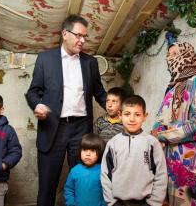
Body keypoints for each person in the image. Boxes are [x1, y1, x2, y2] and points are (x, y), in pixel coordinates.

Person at [25, 14, 107, 206]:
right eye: (78, 35)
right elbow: (33, 92)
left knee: (84, 184)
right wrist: (37, 105)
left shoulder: (90, 62)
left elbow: (100, 93)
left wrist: (118, 108)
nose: (83, 40)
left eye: (85, 36)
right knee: (47, 186)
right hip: (53, 127)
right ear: (65, 34)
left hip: (81, 130)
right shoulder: (45, 59)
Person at [152, 42, 196, 206]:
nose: (169, 58)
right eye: (168, 55)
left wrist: (163, 135)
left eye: (174, 54)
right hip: (170, 165)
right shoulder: (171, 90)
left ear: (187, 55)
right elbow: (159, 122)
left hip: (192, 162)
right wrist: (155, 131)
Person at [101, 95, 168, 206]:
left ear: (144, 117)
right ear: (120, 115)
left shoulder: (152, 143)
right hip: (118, 203)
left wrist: (154, 203)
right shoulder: (113, 143)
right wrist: (112, 203)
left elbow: (161, 175)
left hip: (146, 203)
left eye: (137, 115)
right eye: (127, 114)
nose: (132, 119)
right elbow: (105, 174)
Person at [64, 133, 106, 206]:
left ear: (99, 153)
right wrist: (71, 203)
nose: (88, 154)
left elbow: (107, 191)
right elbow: (69, 190)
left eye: (92, 150)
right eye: (84, 150)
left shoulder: (103, 171)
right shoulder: (75, 171)